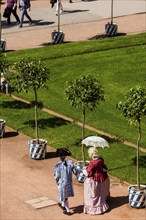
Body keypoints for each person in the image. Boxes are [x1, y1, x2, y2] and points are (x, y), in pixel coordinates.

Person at [83, 147, 110, 215]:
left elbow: (89, 173)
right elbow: (104, 168)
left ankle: (94, 208)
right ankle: (102, 205)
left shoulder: (92, 162)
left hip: (94, 179)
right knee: (100, 192)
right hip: (101, 177)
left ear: (91, 154)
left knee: (91, 193)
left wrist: (84, 170)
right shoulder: (101, 160)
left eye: (89, 153)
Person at [54, 148, 77, 215]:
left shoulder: (57, 166)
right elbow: (75, 171)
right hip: (69, 183)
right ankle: (63, 205)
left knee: (64, 197)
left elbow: (56, 176)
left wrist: (57, 182)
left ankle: (68, 211)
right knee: (64, 196)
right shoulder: (70, 163)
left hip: (62, 183)